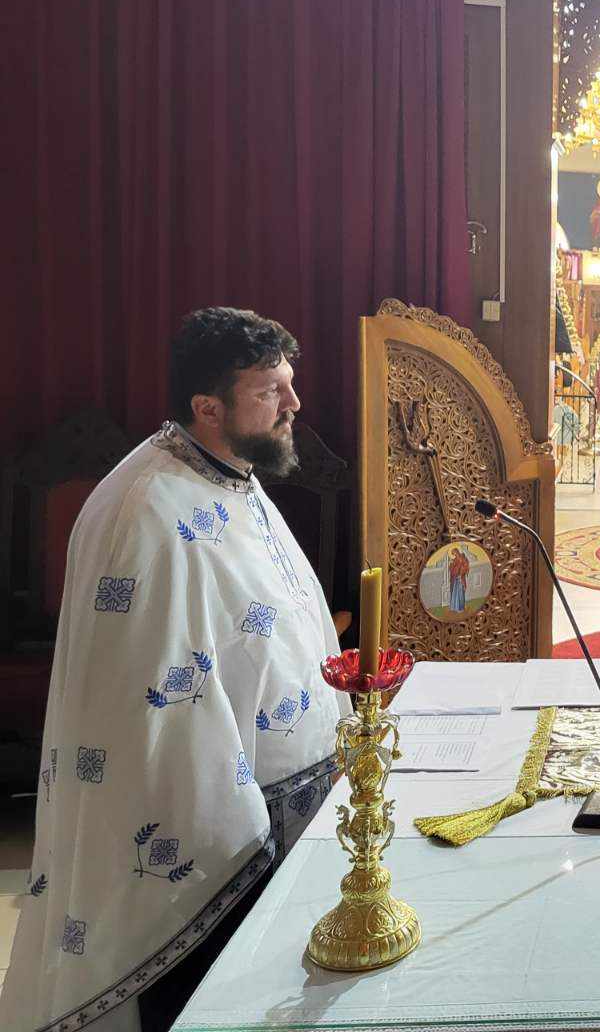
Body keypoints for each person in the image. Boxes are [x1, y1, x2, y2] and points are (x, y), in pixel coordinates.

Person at [3, 308, 348, 1032]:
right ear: (207, 408)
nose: (294, 404)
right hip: (206, 823)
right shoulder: (148, 512)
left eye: (291, 384)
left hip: (281, 793)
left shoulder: (226, 473)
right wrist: (232, 822)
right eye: (272, 391)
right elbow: (151, 701)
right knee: (199, 999)